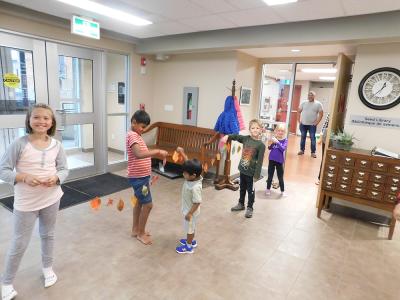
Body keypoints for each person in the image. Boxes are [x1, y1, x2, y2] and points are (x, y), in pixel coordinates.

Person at [0, 104, 69, 300]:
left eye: (46, 118)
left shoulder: (57, 145)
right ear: (29, 120)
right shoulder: (19, 144)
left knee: (48, 235)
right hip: (26, 203)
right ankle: (6, 282)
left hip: (51, 198)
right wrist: (23, 177)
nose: (41, 121)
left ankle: (48, 269)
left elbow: (64, 169)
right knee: (20, 242)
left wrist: (56, 179)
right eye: (36, 117)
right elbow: (3, 170)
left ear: (52, 122)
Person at [127, 110, 168, 245]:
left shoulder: (137, 135)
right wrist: (157, 152)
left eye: (145, 127)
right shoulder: (133, 136)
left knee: (139, 202)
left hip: (142, 177)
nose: (143, 130)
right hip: (138, 178)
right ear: (134, 123)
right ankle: (140, 233)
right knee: (148, 205)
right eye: (142, 127)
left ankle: (135, 229)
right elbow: (138, 154)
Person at [221, 119, 266, 218]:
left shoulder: (261, 145)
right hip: (242, 170)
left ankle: (250, 207)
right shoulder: (246, 139)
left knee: (251, 191)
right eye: (253, 128)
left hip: (251, 173)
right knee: (242, 189)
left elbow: (260, 162)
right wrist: (227, 136)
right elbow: (236, 136)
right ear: (250, 129)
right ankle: (241, 204)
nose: (255, 130)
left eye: (257, 128)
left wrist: (256, 175)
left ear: (261, 130)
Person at [175, 147, 203, 254]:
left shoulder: (195, 187)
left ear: (193, 175)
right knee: (191, 227)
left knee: (189, 229)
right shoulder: (194, 176)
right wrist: (182, 152)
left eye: (185, 173)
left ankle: (189, 247)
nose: (183, 174)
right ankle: (190, 241)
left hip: (191, 212)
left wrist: (190, 213)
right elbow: (187, 161)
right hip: (189, 210)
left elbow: (197, 202)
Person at [297, 91, 323, 158]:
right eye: (309, 95)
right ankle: (302, 150)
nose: (310, 96)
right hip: (303, 124)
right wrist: (299, 121)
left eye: (312, 95)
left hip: (312, 125)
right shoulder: (303, 103)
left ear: (314, 96)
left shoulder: (318, 104)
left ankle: (313, 152)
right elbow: (298, 111)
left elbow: (321, 114)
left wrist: (317, 123)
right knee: (303, 137)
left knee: (312, 138)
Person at [265, 124, 288, 197]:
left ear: (284, 132)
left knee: (280, 176)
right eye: (279, 131)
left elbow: (283, 149)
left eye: (282, 131)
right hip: (271, 159)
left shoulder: (285, 140)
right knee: (270, 175)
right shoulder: (274, 139)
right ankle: (268, 189)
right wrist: (271, 142)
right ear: (276, 131)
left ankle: (282, 191)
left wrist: (277, 142)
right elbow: (269, 148)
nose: (280, 132)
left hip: (279, 161)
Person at [316, 113, 330, 185]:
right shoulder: (330, 113)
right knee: (324, 158)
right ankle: (319, 178)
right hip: (326, 137)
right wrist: (320, 138)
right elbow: (325, 125)